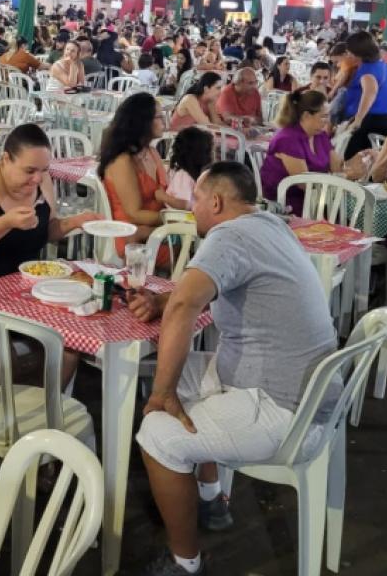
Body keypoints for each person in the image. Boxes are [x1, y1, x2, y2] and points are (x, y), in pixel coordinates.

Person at [134, 162, 337, 576]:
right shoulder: (269, 224)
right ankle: (211, 497)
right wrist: (166, 302)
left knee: (156, 432)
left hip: (284, 409)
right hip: (312, 388)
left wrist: (162, 396)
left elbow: (183, 307)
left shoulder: (227, 235)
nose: (191, 208)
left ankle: (185, 563)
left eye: (195, 200)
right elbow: (204, 290)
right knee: (170, 372)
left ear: (216, 201)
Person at [0, 123, 99, 292]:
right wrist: (6, 222)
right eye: (29, 171)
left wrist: (76, 221)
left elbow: (46, 230)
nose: (37, 178)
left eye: (44, 169)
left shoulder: (42, 179)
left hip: (22, 287)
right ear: (6, 159)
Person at [259, 88, 365, 212]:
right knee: (349, 212)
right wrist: (346, 176)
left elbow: (337, 168)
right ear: (306, 115)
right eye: (324, 117)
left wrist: (360, 159)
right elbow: (305, 184)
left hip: (316, 200)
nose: (327, 121)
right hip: (285, 205)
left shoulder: (319, 136)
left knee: (355, 210)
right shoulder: (287, 139)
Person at [99, 92, 169, 256]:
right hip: (131, 236)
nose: (164, 122)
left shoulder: (151, 152)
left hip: (155, 229)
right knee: (193, 250)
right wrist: (174, 218)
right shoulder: (122, 161)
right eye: (159, 117)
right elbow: (134, 214)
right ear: (143, 122)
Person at [340, 30, 387, 158]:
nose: (348, 54)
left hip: (368, 122)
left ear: (358, 52)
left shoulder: (368, 70)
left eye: (350, 51)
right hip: (381, 119)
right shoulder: (381, 65)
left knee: (352, 161)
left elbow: (370, 92)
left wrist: (358, 120)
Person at [159, 126, 213, 210]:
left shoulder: (183, 175)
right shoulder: (202, 172)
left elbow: (184, 205)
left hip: (180, 218)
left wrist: (163, 197)